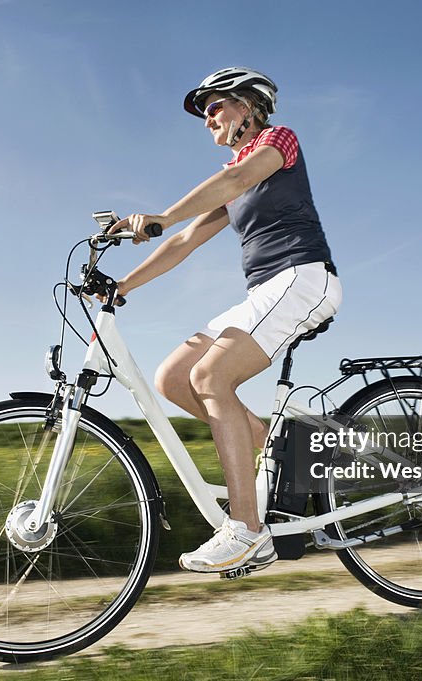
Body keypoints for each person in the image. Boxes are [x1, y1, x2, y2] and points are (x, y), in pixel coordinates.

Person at [108, 66, 342, 575]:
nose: (207, 117)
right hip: (266, 291)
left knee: (210, 376)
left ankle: (246, 530)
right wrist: (122, 285)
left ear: (249, 107)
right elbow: (183, 243)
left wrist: (161, 214)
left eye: (215, 106)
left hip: (302, 277)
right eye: (205, 110)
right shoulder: (231, 185)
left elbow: (234, 177)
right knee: (173, 378)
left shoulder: (277, 142)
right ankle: (284, 449)